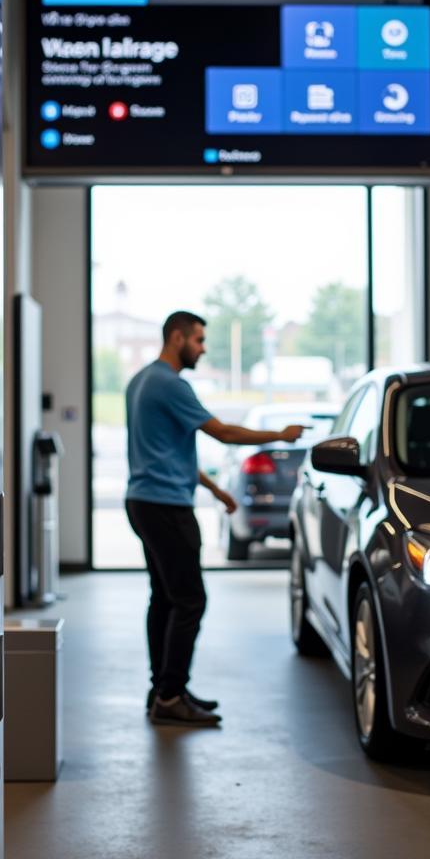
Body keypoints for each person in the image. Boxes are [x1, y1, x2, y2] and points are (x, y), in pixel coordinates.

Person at [125, 311, 308, 726]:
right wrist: (279, 434)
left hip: (142, 501)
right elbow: (222, 432)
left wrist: (213, 488)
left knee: (166, 598)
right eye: (199, 340)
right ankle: (170, 696)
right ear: (177, 337)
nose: (203, 348)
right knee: (191, 600)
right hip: (166, 507)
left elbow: (164, 452)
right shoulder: (171, 384)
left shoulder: (140, 381)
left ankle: (163, 689)